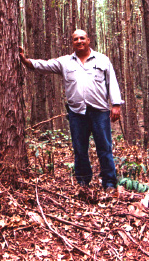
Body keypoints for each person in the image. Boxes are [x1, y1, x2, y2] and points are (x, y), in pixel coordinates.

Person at [19, 29, 123, 190]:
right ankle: (83, 182)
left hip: (100, 112)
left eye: (82, 38)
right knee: (80, 148)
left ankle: (109, 183)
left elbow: (112, 82)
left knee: (104, 147)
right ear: (72, 43)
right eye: (76, 39)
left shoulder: (102, 60)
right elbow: (44, 65)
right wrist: (26, 61)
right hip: (77, 113)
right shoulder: (65, 62)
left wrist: (116, 104)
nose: (79, 41)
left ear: (88, 40)